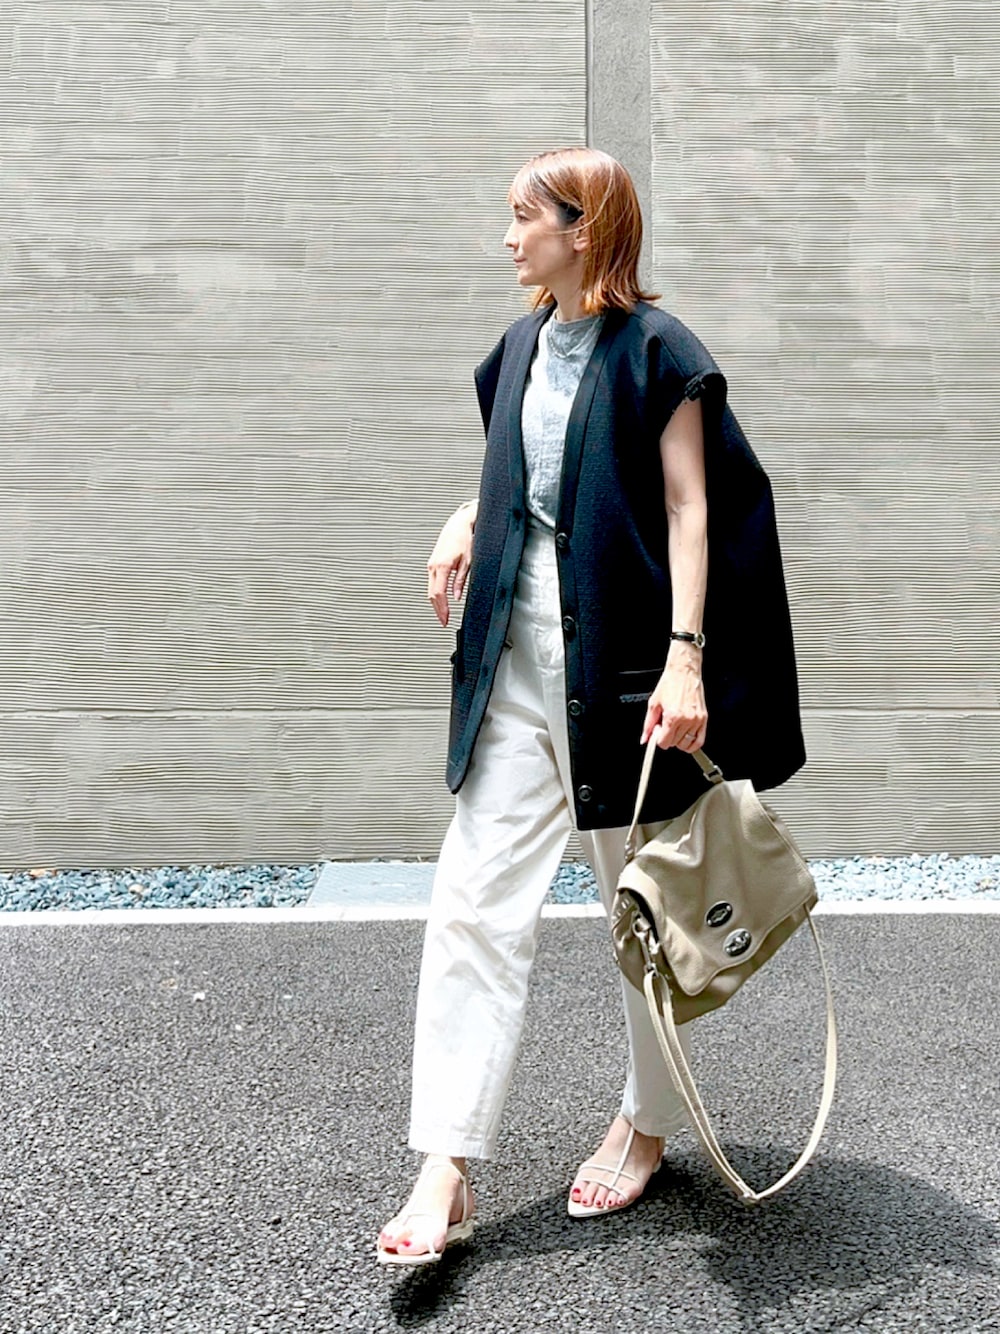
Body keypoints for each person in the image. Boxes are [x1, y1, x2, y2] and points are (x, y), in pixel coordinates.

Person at [377, 147, 805, 1265]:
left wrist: (684, 660)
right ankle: (446, 1163)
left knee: (643, 910)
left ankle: (647, 1122)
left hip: (618, 671)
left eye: (526, 218)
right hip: (513, 663)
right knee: (472, 902)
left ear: (585, 229)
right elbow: (528, 474)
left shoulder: (657, 350)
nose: (508, 237)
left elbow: (688, 506)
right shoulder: (521, 345)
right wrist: (464, 516)